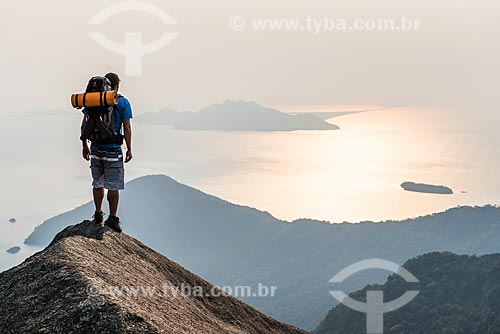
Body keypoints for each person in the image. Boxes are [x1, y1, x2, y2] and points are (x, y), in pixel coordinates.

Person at [81, 72, 133, 232]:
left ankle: (98, 215)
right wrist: (129, 148)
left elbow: (84, 124)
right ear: (116, 85)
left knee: (97, 183)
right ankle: (112, 218)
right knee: (113, 185)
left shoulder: (93, 102)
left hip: (95, 148)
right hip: (113, 149)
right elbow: (127, 127)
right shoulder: (122, 102)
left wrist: (84, 145)